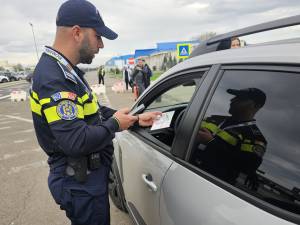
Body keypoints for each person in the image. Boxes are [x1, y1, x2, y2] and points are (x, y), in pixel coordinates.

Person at [29, 1, 161, 225]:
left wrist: (134, 119)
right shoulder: (54, 77)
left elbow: (91, 111)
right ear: (77, 32)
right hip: (80, 183)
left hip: (86, 178)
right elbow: (75, 140)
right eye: (98, 36)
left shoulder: (66, 70)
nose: (101, 45)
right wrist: (115, 124)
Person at [192, 88, 267, 186]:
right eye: (234, 97)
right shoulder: (213, 119)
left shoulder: (256, 138)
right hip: (187, 168)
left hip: (212, 185)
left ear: (255, 106)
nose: (232, 100)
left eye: (240, 98)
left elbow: (246, 167)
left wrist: (211, 143)